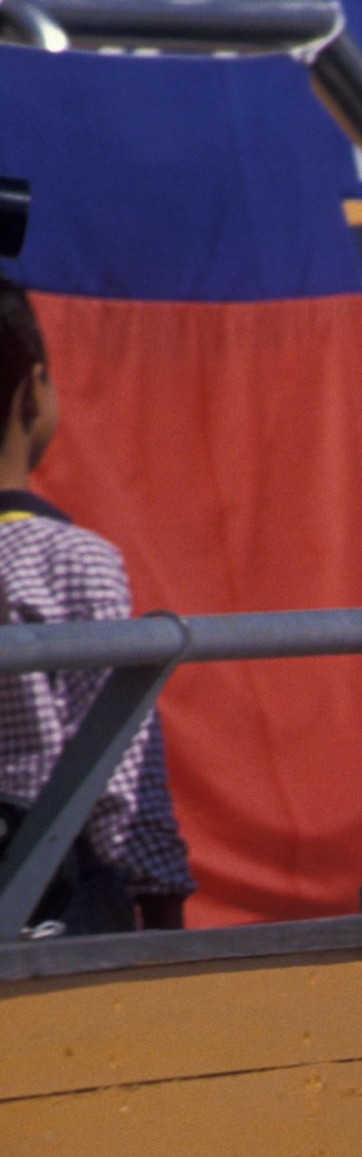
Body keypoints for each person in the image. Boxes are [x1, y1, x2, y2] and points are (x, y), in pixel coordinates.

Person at [0, 279, 192, 933]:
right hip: (50, 896)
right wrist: (160, 892)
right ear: (33, 393)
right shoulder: (73, 561)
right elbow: (120, 770)